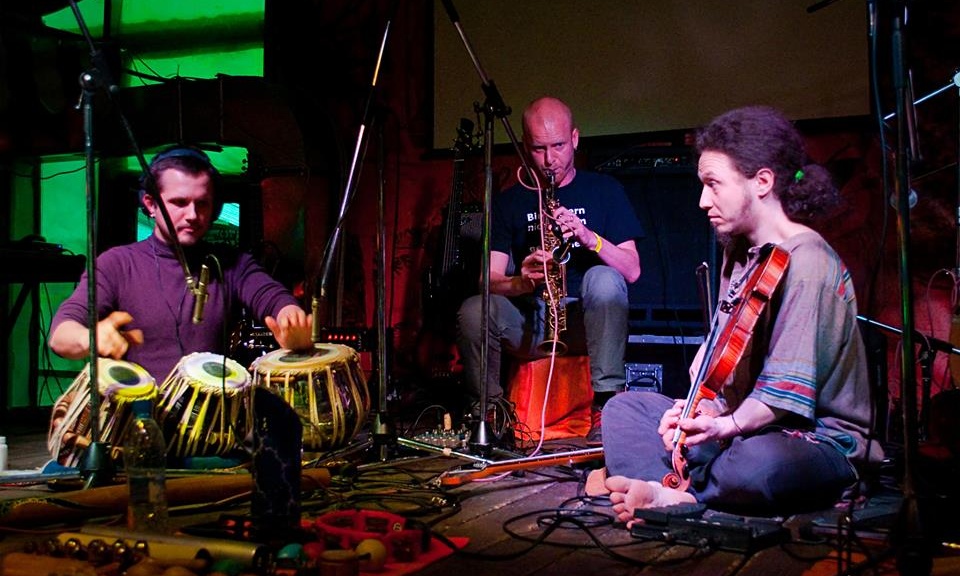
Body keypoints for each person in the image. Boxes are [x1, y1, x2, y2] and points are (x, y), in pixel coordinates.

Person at [598, 106, 883, 520]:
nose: (702, 201)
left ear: (762, 182)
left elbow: (785, 391)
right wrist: (698, 411)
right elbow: (722, 362)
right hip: (739, 428)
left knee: (762, 465)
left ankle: (678, 488)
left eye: (713, 184)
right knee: (624, 410)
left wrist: (721, 427)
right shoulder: (739, 253)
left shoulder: (808, 262)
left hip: (810, 440)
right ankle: (679, 487)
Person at [456, 96, 643, 443]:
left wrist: (589, 238)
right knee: (473, 309)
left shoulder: (604, 190)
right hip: (532, 323)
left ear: (575, 139)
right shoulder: (510, 201)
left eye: (558, 146)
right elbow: (487, 280)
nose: (549, 159)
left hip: (588, 323)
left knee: (603, 278)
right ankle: (491, 414)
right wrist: (521, 281)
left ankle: (606, 405)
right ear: (525, 146)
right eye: (539, 149)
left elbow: (632, 270)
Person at [49, 145, 313, 387]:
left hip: (210, 415)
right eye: (179, 202)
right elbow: (60, 334)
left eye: (202, 203)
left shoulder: (233, 264)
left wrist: (291, 319)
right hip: (137, 416)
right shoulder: (115, 264)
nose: (192, 215)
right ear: (150, 204)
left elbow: (272, 297)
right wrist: (90, 338)